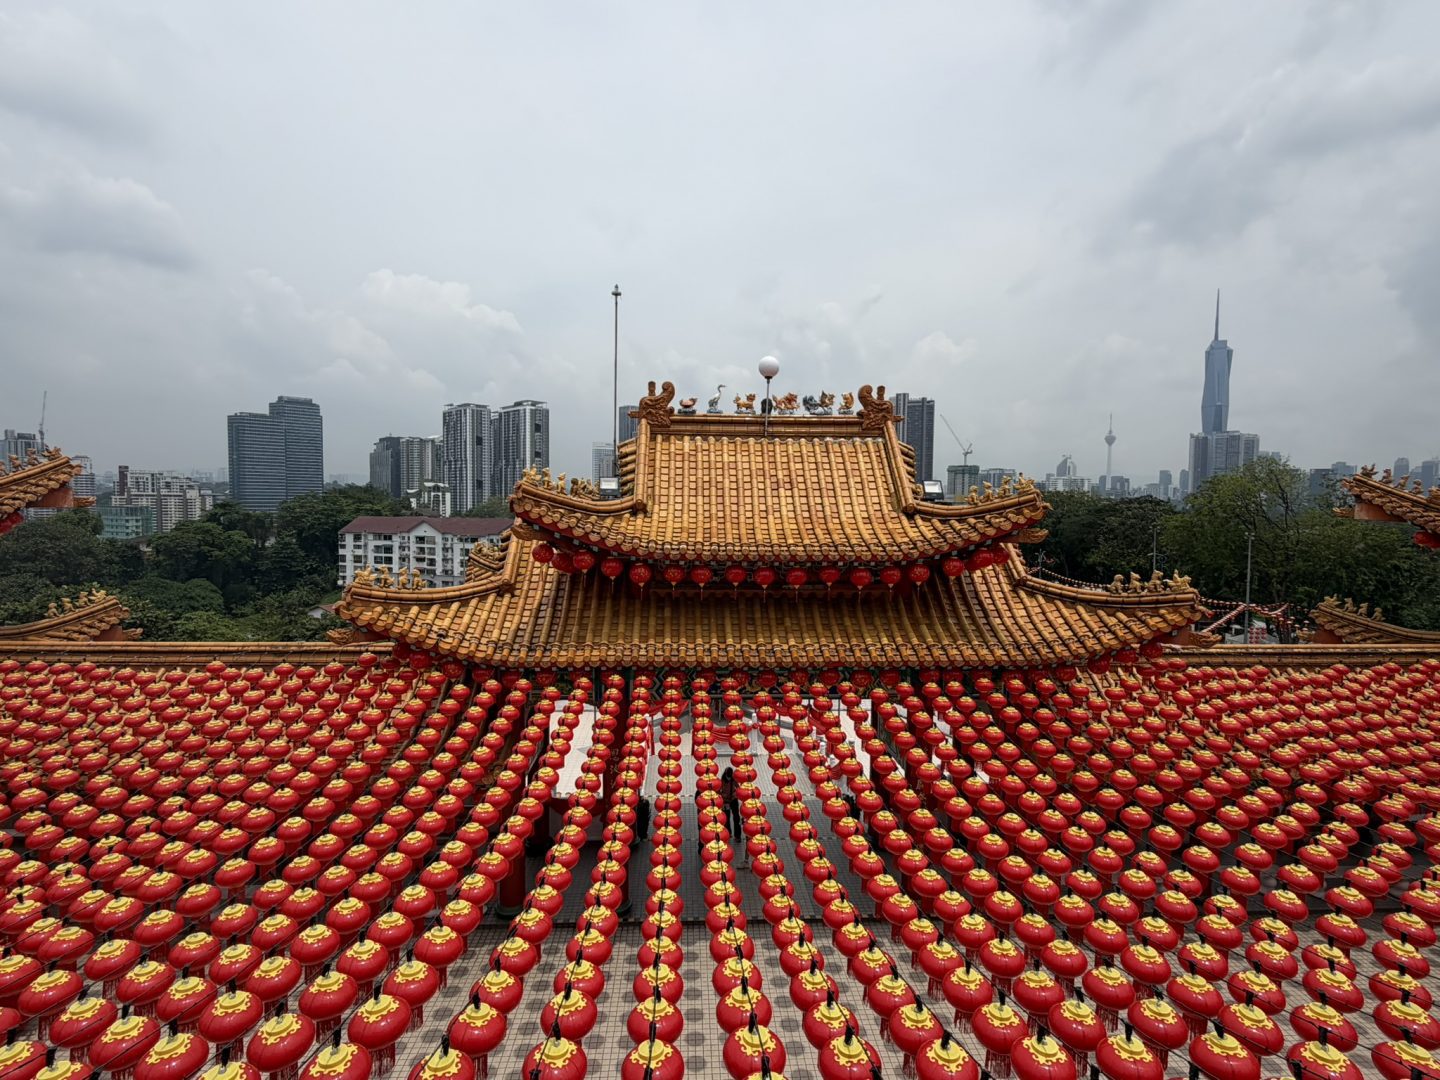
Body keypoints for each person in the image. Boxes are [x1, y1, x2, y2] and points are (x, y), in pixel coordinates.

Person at [720, 766, 742, 846]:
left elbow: (738, 788)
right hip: (725, 801)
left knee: (736, 817)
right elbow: (719, 791)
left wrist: (735, 793)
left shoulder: (734, 779)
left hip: (733, 800)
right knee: (726, 818)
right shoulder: (722, 781)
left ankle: (738, 835)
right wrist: (723, 795)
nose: (729, 778)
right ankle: (728, 833)